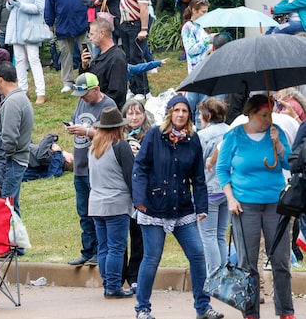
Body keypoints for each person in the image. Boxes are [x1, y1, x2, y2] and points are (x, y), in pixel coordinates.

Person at [133, 94, 222, 319]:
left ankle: (203, 307)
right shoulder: (154, 135)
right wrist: (139, 200)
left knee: (198, 254)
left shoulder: (193, 139)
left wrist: (201, 207)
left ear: (190, 115)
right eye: (177, 110)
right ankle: (142, 309)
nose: (180, 115)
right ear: (170, 113)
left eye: (184, 111)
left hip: (182, 207)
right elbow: (140, 168)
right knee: (152, 258)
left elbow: (198, 178)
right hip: (153, 207)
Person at [216, 94, 294, 319]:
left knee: (280, 260)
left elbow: (290, 162)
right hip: (245, 205)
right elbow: (222, 170)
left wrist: (278, 143)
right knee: (248, 263)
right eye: (263, 115)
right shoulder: (234, 136)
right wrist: (230, 198)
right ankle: (250, 313)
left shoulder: (275, 132)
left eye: (270, 114)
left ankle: (286, 311)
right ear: (249, 114)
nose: (268, 119)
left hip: (275, 204)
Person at [64, 72, 117, 267]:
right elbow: (77, 119)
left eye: (86, 94)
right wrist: (72, 127)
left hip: (97, 168)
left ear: (96, 89)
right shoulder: (82, 102)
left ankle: (98, 251)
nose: (83, 98)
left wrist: (86, 132)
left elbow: (112, 135)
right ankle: (87, 251)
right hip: (80, 166)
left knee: (98, 213)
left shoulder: (108, 105)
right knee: (83, 212)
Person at [88, 106, 135, 299]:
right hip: (116, 203)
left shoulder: (93, 148)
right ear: (118, 128)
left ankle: (108, 283)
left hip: (96, 203)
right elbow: (131, 176)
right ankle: (114, 286)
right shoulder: (120, 146)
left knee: (104, 246)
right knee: (117, 246)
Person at [45, 0, 92, 93]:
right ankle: (67, 82)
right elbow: (50, 4)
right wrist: (49, 23)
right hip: (63, 25)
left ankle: (88, 79)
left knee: (87, 52)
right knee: (65, 54)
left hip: (82, 23)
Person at [0, 62, 33, 215]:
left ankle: (14, 239)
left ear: (0, 79)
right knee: (11, 207)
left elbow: (9, 141)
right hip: (15, 161)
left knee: (7, 209)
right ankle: (15, 239)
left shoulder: (13, 102)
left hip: (12, 162)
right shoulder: (19, 98)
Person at [4, 0, 47, 105]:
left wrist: (20, 4)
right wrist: (10, 2)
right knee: (20, 60)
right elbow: (10, 7)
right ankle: (23, 90)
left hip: (30, 28)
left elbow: (38, 8)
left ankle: (41, 92)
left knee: (34, 59)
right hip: (16, 27)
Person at [196, 97, 230, 276]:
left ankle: (214, 275)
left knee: (208, 236)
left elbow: (196, 162)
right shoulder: (231, 131)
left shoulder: (202, 136)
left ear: (208, 116)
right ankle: (223, 275)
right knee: (220, 235)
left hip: (209, 190)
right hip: (227, 189)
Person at [120, 99, 150, 292]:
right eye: (130, 113)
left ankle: (134, 275)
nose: (134, 117)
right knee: (120, 237)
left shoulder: (151, 135)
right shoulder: (117, 137)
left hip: (143, 194)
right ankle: (119, 274)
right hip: (122, 193)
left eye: (138, 113)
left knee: (139, 236)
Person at [119, 0, 152, 100]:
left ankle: (143, 90)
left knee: (136, 57)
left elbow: (144, 7)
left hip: (136, 24)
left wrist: (144, 29)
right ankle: (133, 88)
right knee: (129, 58)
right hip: (126, 24)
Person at [79, 17, 128, 109]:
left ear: (102, 33)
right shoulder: (100, 56)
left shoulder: (116, 58)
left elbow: (117, 94)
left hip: (108, 113)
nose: (90, 38)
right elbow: (87, 84)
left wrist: (97, 104)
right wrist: (84, 67)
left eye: (92, 34)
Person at [181, 0, 212, 123]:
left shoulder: (202, 26)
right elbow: (191, 50)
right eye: (203, 11)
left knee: (204, 104)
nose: (205, 14)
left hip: (207, 68)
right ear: (194, 10)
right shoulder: (188, 27)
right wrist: (208, 40)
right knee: (195, 103)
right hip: (196, 70)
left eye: (206, 11)